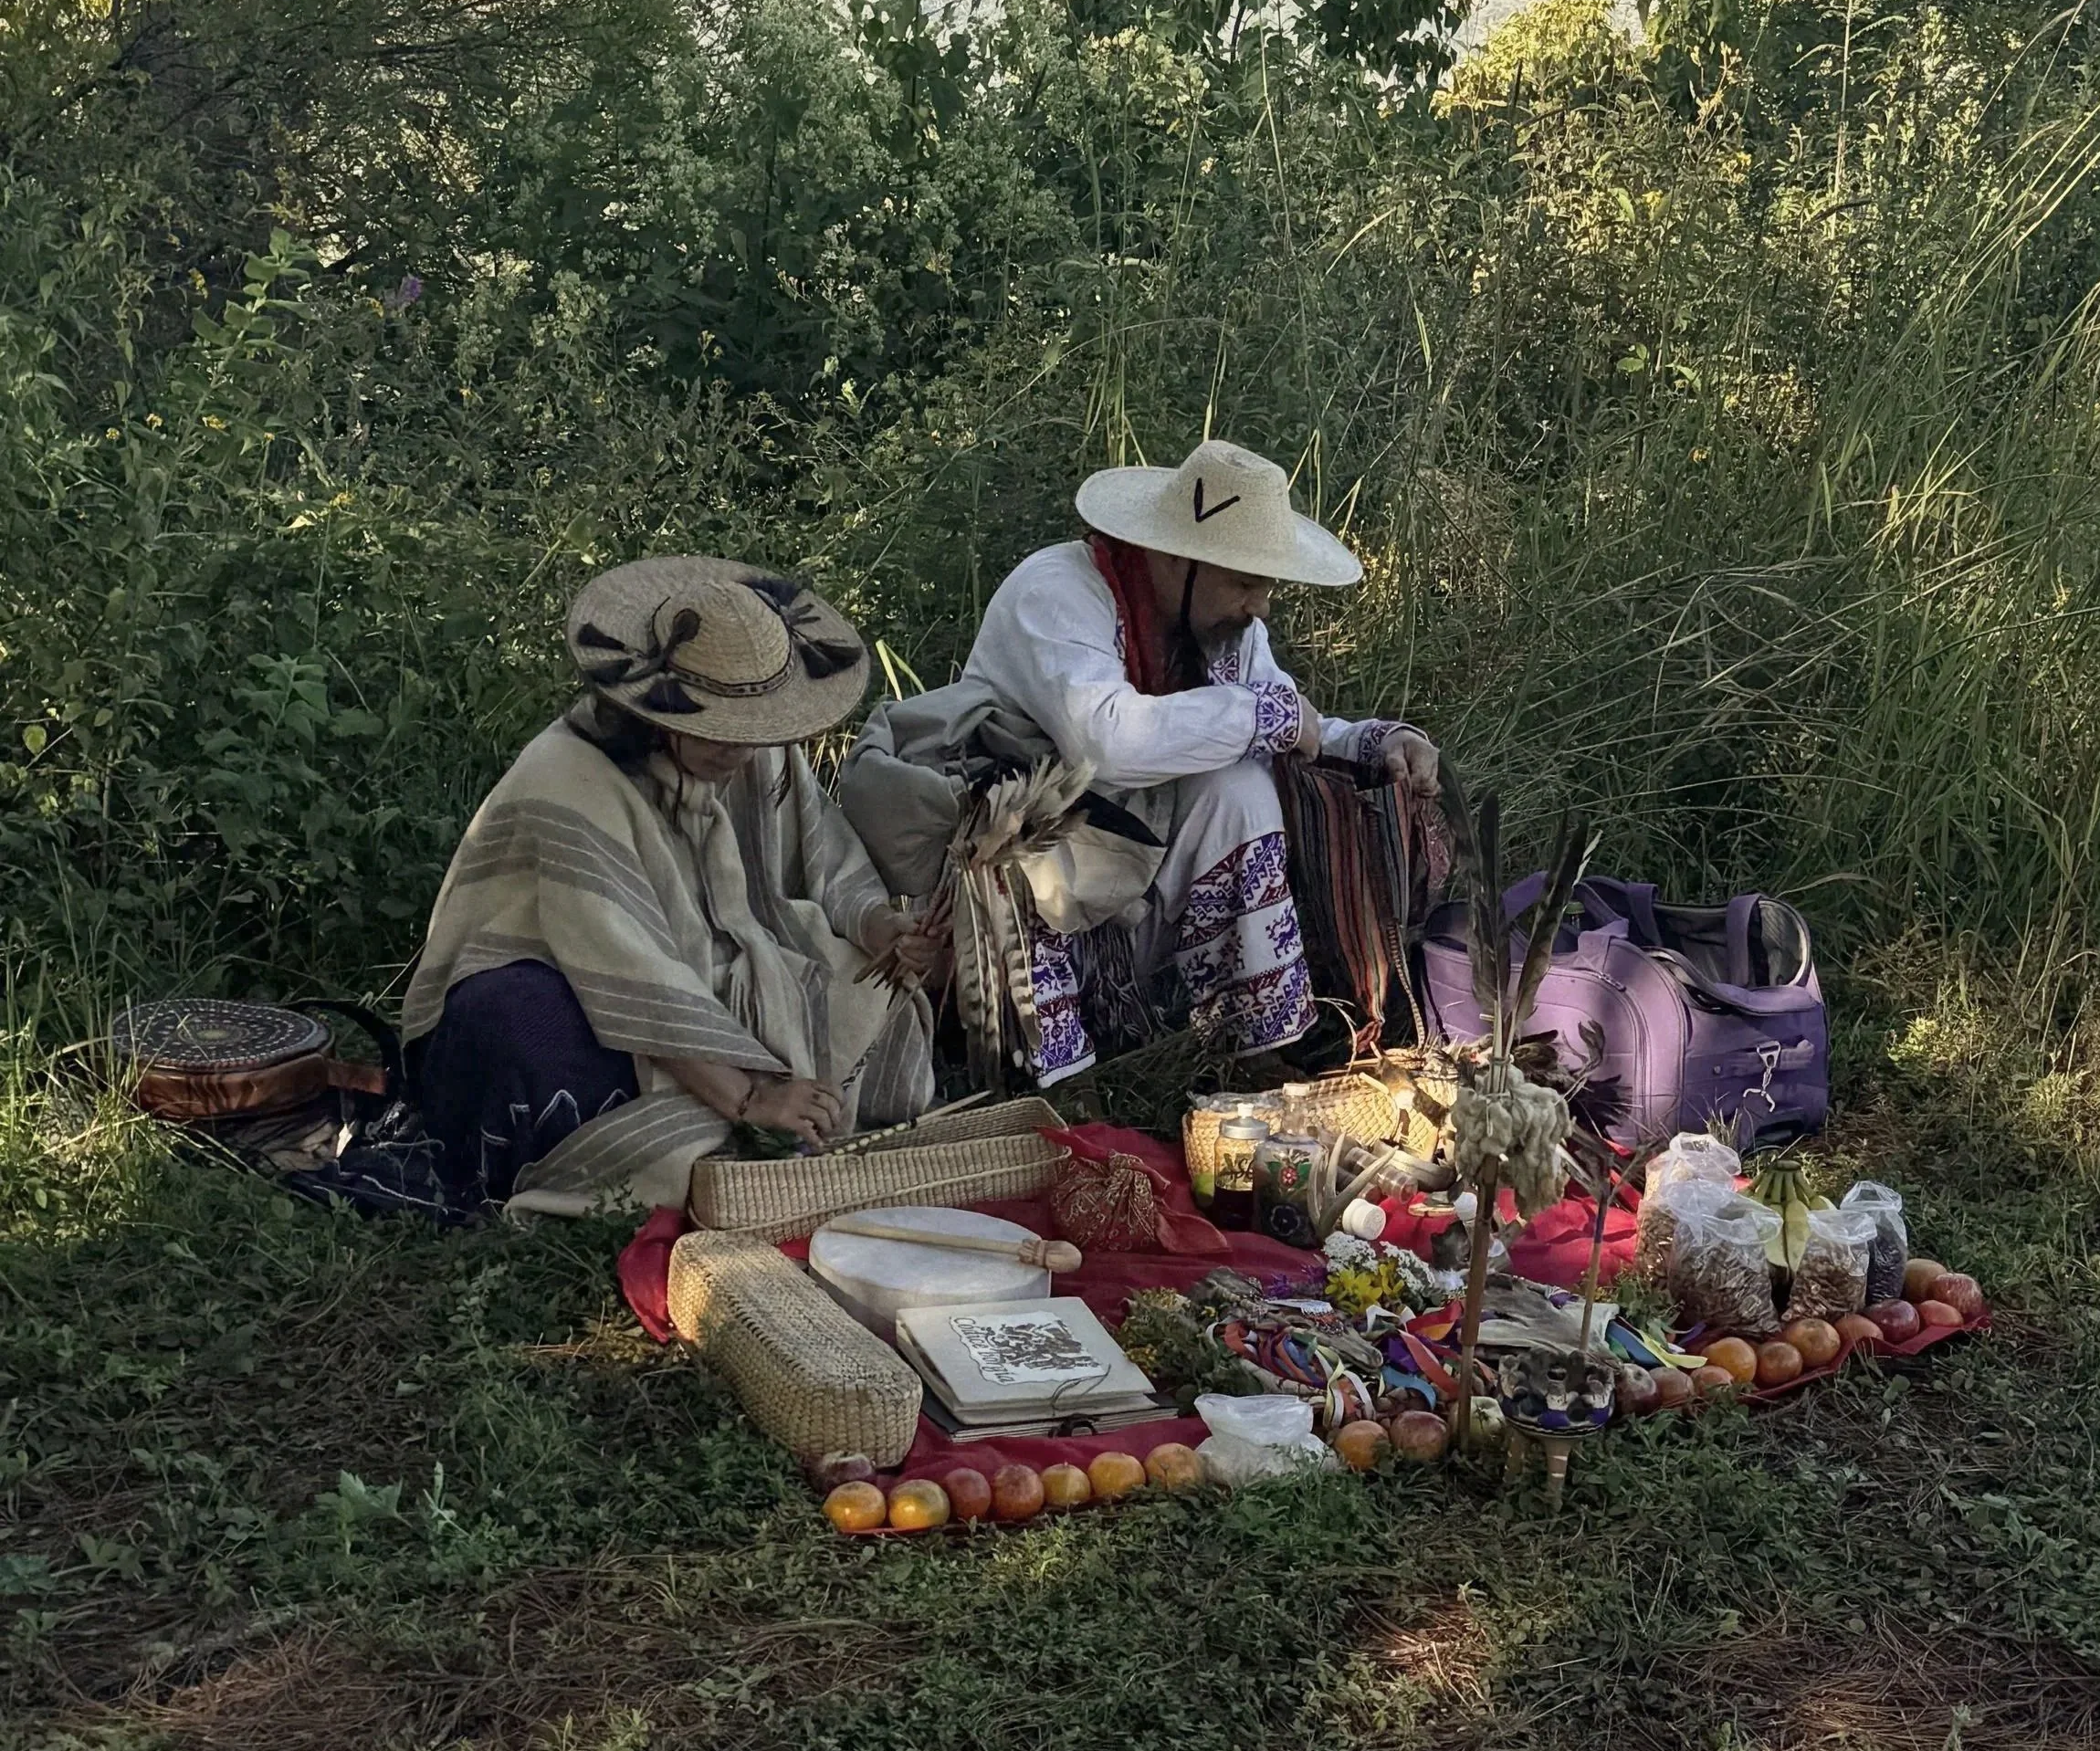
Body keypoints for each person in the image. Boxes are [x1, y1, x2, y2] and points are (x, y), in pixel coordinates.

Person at [402, 558, 939, 1215]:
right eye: (719, 733)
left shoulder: (753, 740)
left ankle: (732, 1103)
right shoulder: (565, 778)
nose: (742, 753)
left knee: (862, 978)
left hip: (705, 973)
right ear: (655, 711)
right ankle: (698, 1121)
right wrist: (749, 1097)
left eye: (754, 731)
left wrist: (878, 924)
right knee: (521, 1028)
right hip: (566, 986)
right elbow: (626, 966)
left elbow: (820, 849)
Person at [955, 439, 1440, 1082]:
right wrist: (1271, 717)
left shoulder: (1218, 623)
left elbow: (1288, 718)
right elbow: (1108, 741)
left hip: (1123, 883)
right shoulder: (1054, 594)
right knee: (1221, 774)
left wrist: (1376, 742)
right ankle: (1060, 1086)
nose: (1260, 604)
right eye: (1245, 581)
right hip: (1013, 895)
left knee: (1239, 785)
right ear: (1179, 558)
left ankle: (1246, 1048)